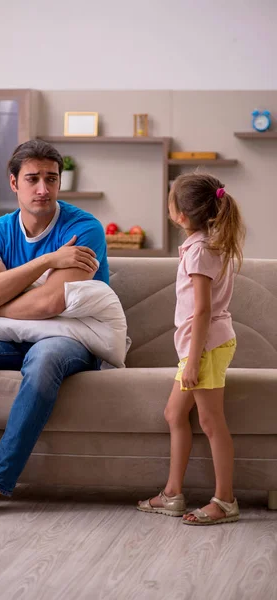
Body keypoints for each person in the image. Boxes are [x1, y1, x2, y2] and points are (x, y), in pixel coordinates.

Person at [0, 139, 109, 523]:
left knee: (44, 357)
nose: (43, 188)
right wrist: (47, 260)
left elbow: (50, 305)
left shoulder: (84, 228)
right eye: (32, 179)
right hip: (8, 341)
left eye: (51, 178)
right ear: (14, 183)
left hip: (70, 338)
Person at [137, 173, 245, 525]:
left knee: (211, 422)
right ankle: (172, 494)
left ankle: (225, 500)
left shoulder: (199, 251)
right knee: (174, 413)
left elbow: (202, 310)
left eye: (171, 201)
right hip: (201, 346)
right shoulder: (205, 245)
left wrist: (194, 361)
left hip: (205, 347)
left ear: (181, 215)